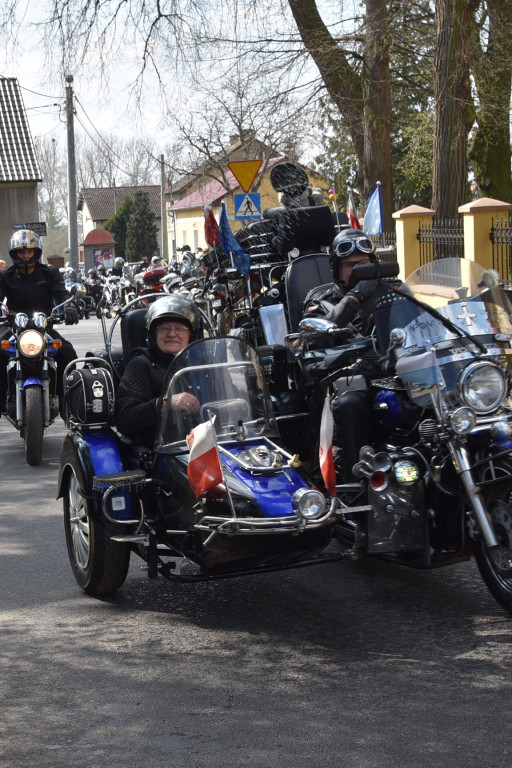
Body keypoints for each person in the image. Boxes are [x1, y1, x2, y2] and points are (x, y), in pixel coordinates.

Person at [302, 228, 400, 481]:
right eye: (350, 265)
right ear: (336, 268)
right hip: (350, 383)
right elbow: (315, 337)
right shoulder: (322, 302)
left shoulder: (395, 292)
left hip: (398, 377)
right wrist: (356, 297)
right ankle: (355, 490)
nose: (357, 270)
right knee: (350, 407)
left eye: (363, 264)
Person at [0, 229, 78, 418]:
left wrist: (68, 308)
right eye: (21, 252)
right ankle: (2, 400)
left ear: (37, 253)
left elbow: (62, 294)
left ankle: (65, 400)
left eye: (29, 252)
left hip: (44, 327)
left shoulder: (49, 273)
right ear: (14, 254)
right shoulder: (5, 276)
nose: (26, 256)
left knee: (68, 353)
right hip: (15, 328)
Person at [115, 295, 202, 447]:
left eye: (180, 328)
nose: (172, 334)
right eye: (164, 328)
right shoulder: (141, 365)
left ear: (192, 334)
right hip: (164, 453)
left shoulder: (203, 363)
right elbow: (125, 419)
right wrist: (165, 404)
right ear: (152, 334)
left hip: (212, 444)